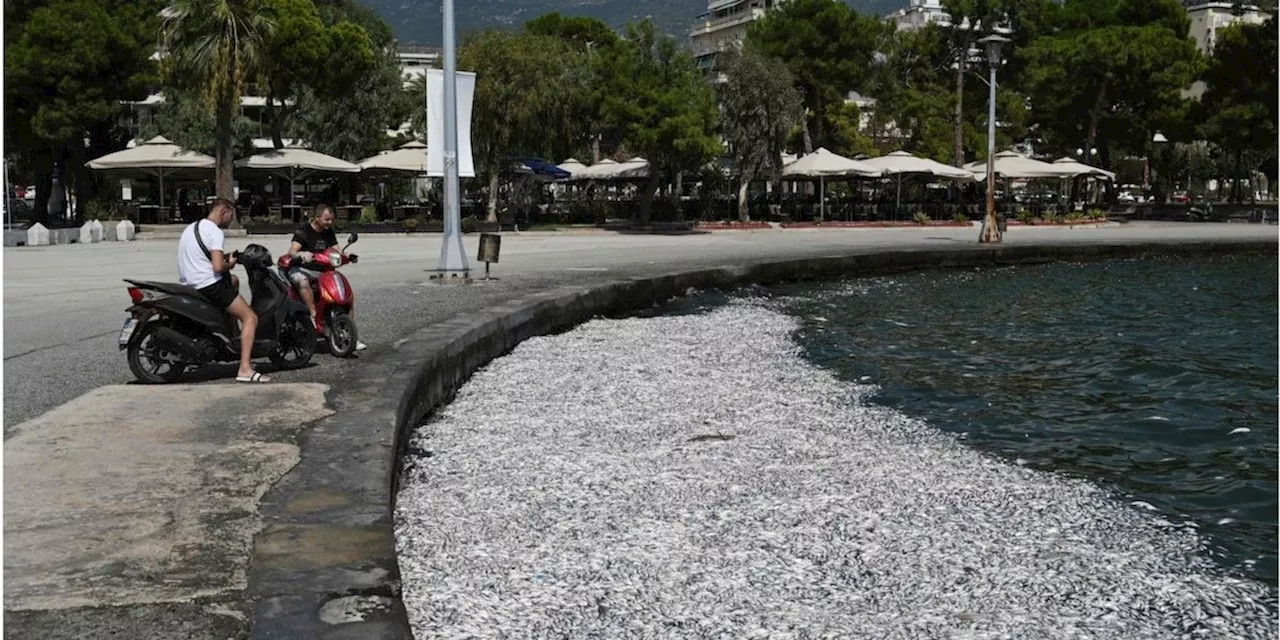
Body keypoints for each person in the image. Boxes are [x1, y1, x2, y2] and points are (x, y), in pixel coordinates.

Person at [177, 197, 268, 382]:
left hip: (190, 284)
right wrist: (231, 263)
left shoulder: (192, 228)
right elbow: (218, 267)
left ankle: (230, 333)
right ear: (223, 212)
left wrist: (227, 258)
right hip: (209, 284)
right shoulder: (216, 232)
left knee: (233, 281)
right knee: (250, 317)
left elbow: (203, 257)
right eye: (231, 216)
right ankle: (245, 369)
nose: (230, 220)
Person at [285, 204, 366, 351]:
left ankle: (350, 332)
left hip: (324, 270)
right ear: (317, 218)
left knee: (346, 294)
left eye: (331, 220)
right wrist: (302, 254)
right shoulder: (303, 231)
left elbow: (336, 249)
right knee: (302, 281)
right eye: (327, 219)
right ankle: (312, 314)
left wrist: (346, 256)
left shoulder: (329, 232)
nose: (330, 223)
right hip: (303, 269)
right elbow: (292, 251)